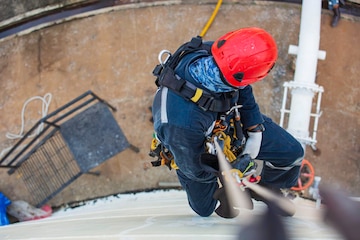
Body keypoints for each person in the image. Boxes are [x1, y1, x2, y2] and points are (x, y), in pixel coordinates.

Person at [151, 27, 304, 218]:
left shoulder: (218, 53)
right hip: (191, 148)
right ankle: (221, 185)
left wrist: (255, 129)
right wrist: (229, 173)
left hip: (227, 120)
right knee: (205, 209)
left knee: (293, 153)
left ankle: (265, 187)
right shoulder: (180, 124)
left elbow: (243, 87)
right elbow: (194, 169)